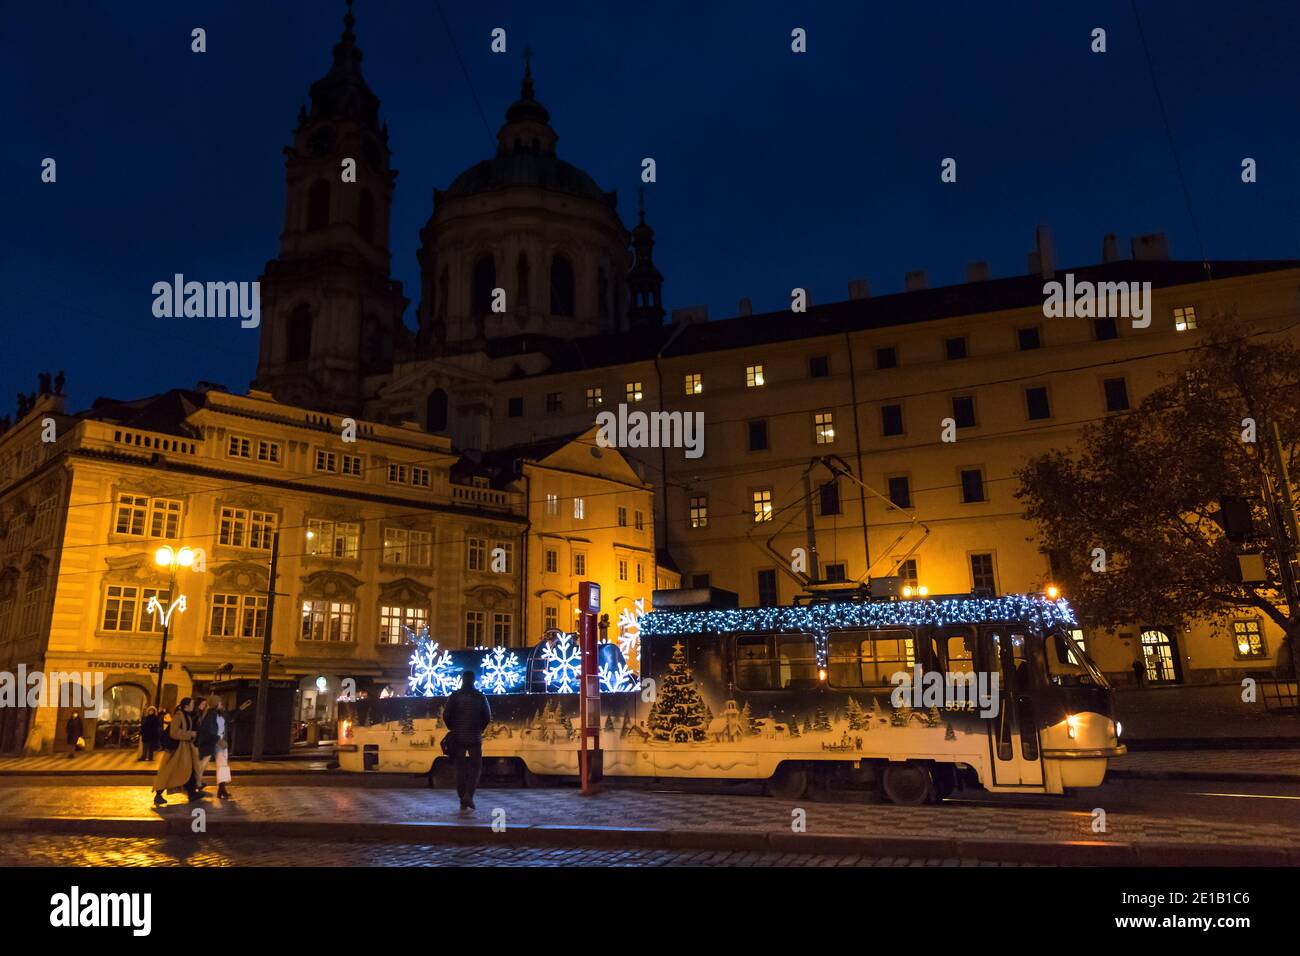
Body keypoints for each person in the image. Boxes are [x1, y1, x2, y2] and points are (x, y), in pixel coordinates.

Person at [441, 670, 492, 814]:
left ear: (462, 680)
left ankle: (462, 797)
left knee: (460, 769)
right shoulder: (480, 697)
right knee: (475, 768)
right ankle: (468, 795)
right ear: (473, 680)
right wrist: (479, 728)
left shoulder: (455, 696)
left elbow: (446, 714)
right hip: (475, 737)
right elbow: (487, 716)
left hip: (458, 737)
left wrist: (453, 727)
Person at [152, 698, 203, 806]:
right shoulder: (178, 716)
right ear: (186, 706)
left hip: (184, 749)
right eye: (192, 704)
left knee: (190, 770)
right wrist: (190, 734)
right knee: (170, 772)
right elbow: (174, 733)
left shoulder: (187, 716)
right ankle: (158, 794)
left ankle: (191, 792)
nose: (193, 706)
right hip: (177, 750)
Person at [194, 696, 221, 792]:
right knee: (201, 765)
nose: (204, 706)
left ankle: (198, 782)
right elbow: (210, 730)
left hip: (204, 742)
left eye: (205, 704)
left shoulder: (207, 713)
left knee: (202, 765)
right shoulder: (211, 714)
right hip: (206, 743)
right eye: (202, 704)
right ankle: (196, 783)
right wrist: (218, 739)